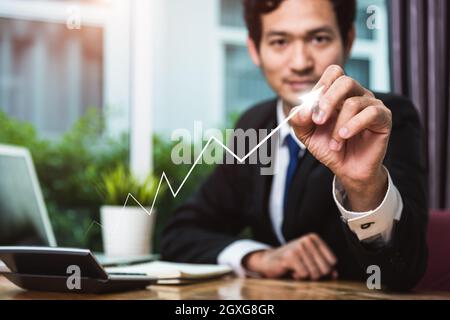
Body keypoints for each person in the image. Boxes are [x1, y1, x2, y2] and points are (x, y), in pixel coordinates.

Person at [161, 0, 428, 291]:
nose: (300, 62)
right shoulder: (254, 124)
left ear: (348, 40)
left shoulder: (381, 121)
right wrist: (257, 257)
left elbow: (402, 272)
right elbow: (181, 234)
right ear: (254, 49)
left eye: (319, 38)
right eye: (279, 41)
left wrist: (365, 188)